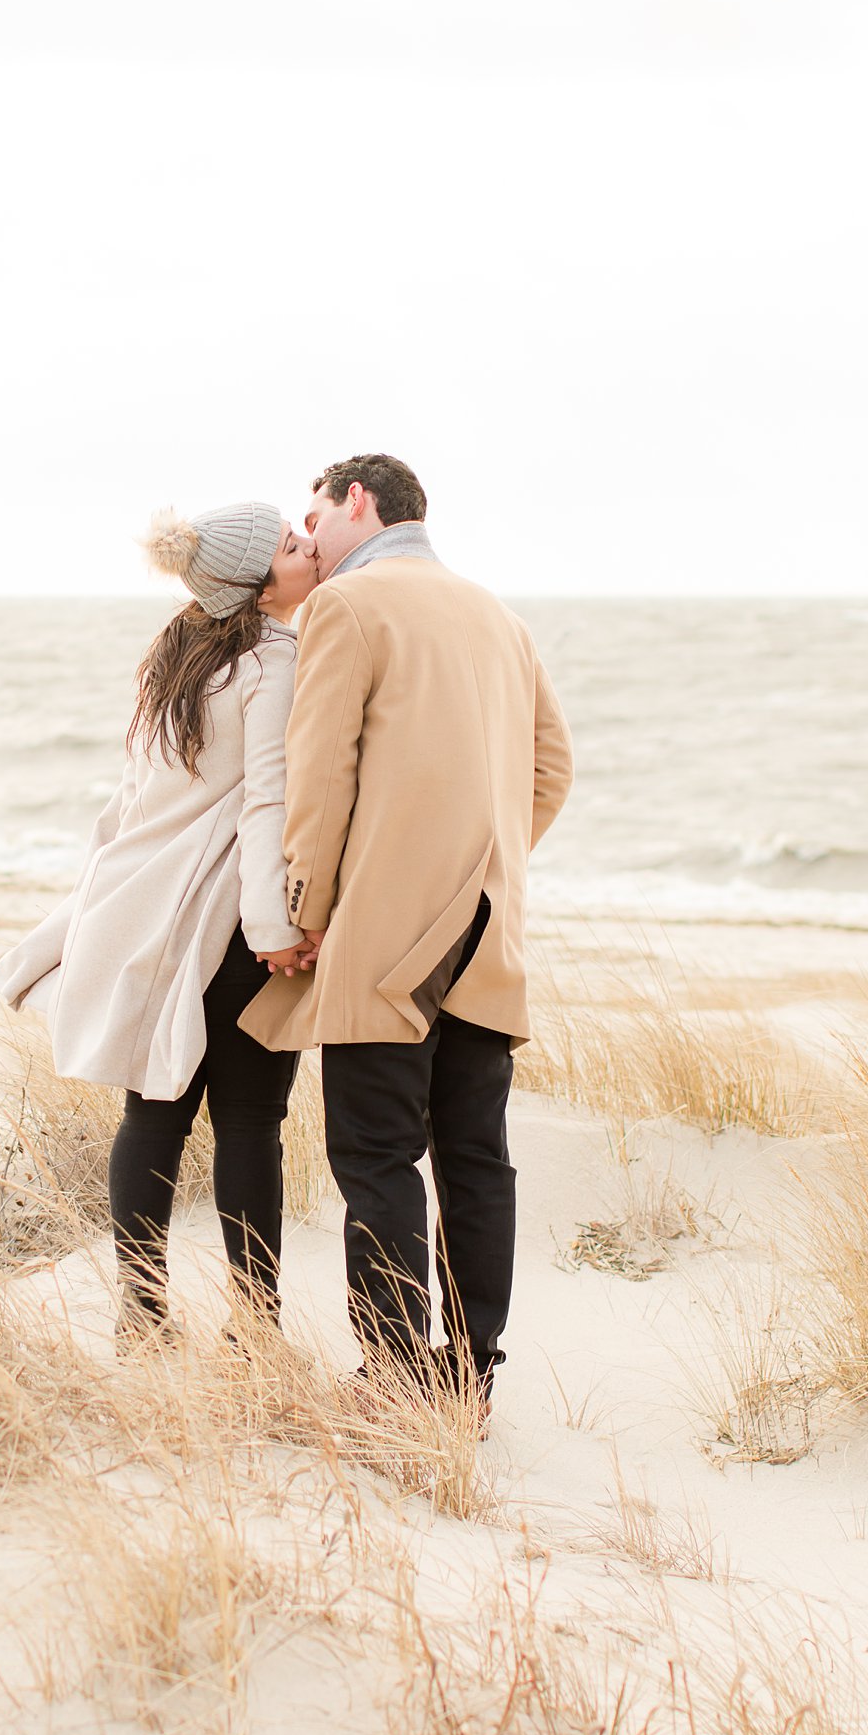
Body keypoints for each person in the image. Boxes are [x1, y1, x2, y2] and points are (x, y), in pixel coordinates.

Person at [240, 456, 574, 1415]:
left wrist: (303, 911)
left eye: (315, 512)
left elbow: (319, 778)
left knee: (377, 1158)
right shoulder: (499, 615)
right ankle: (469, 1374)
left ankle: (393, 1375)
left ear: (358, 501)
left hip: (386, 944)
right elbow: (552, 773)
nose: (310, 537)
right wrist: (481, 864)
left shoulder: (345, 607)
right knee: (476, 1156)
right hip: (486, 937)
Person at [0, 502, 319, 1349]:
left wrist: (100, 896)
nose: (306, 547)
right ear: (254, 579)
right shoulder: (275, 659)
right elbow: (267, 802)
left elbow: (129, 801)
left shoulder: (173, 652)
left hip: (147, 913)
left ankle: (141, 1311)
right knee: (249, 1121)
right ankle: (252, 1330)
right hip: (232, 919)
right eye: (289, 544)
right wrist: (272, 923)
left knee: (153, 1113)